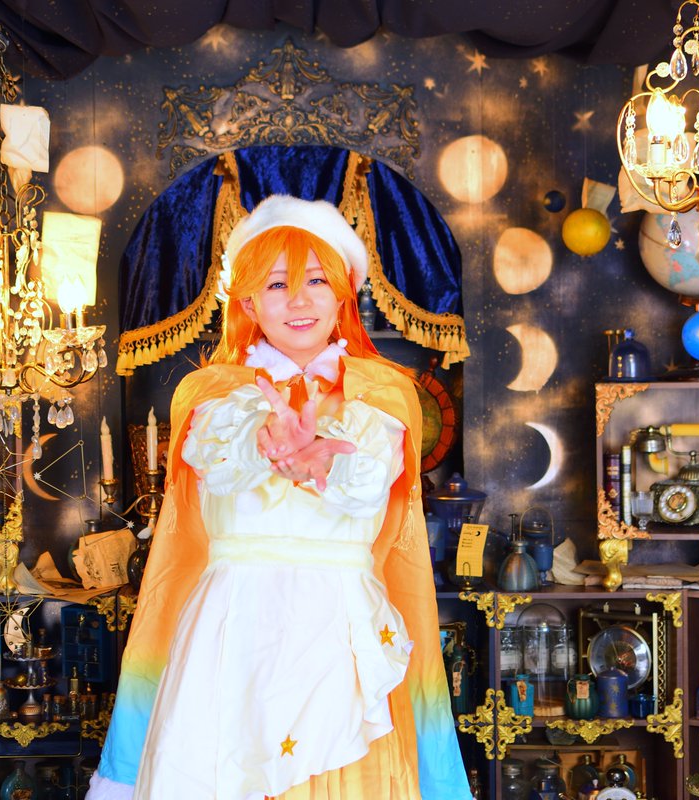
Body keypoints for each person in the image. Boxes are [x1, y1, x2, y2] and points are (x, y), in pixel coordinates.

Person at [87, 195, 471, 800]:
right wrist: (267, 442)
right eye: (276, 285)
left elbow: (372, 480)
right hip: (233, 628)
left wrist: (325, 461)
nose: (299, 301)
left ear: (343, 294)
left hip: (339, 629)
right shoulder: (211, 395)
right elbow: (220, 464)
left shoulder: (383, 395)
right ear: (246, 302)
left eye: (316, 281)